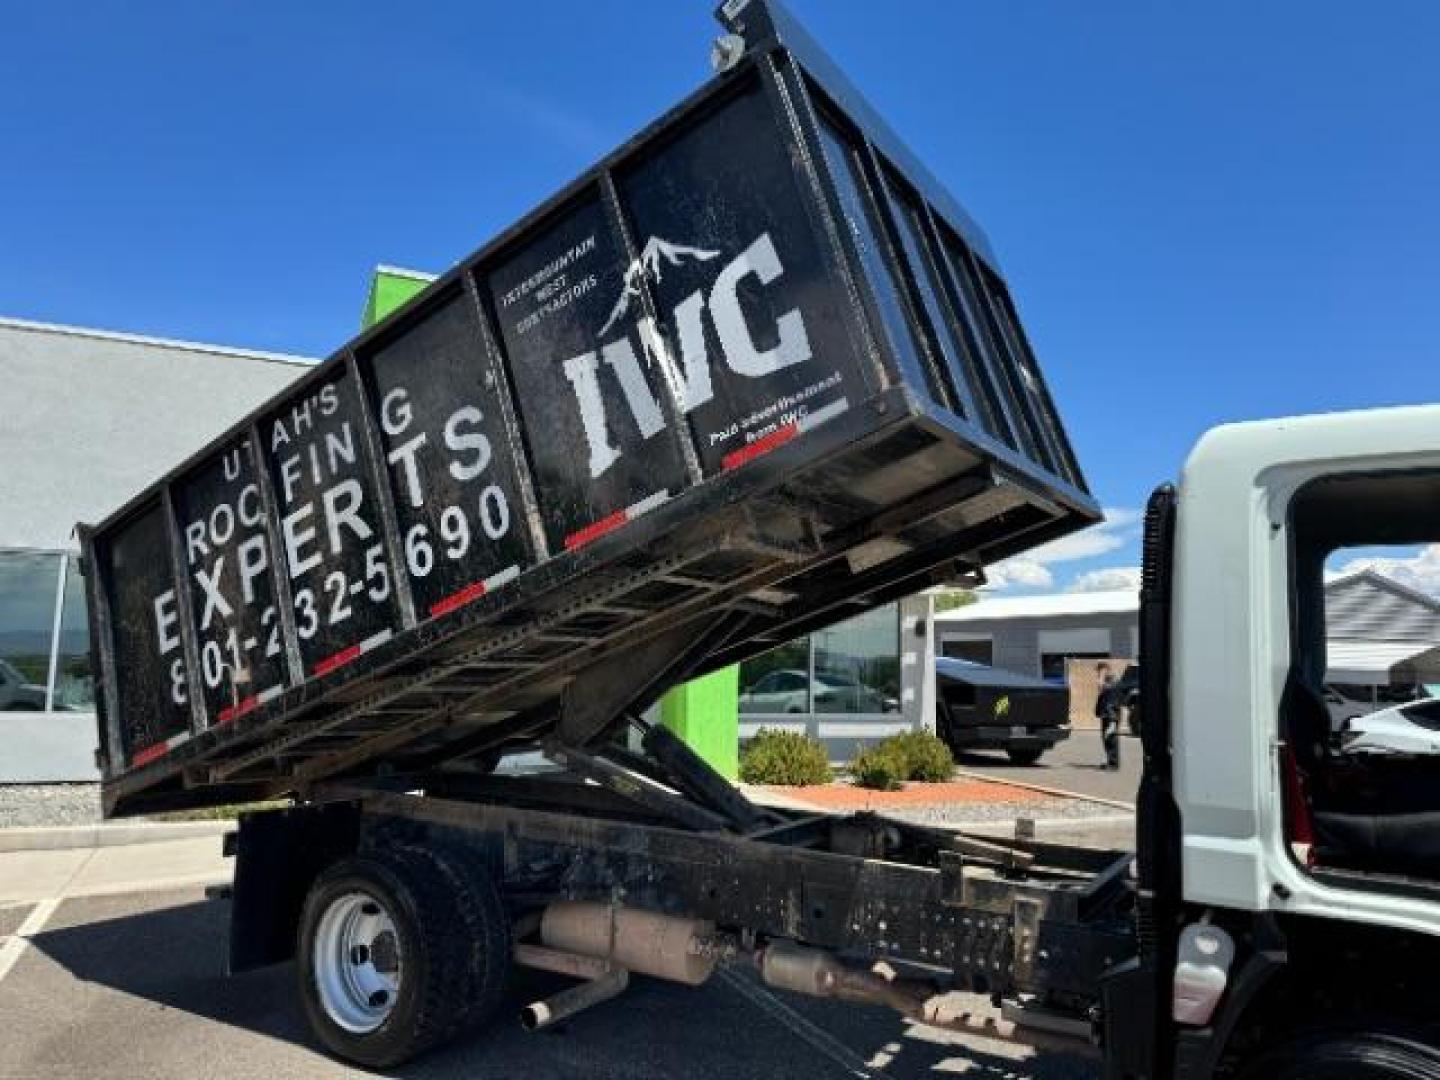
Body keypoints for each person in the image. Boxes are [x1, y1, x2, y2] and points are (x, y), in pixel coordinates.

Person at [1095, 663, 1121, 770]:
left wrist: (1102, 674)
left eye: (1098, 671)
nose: (1097, 674)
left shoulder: (1112, 680)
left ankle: (1113, 764)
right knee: (1107, 738)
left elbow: (1101, 687)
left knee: (1110, 738)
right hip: (1107, 714)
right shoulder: (1110, 681)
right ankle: (1110, 761)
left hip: (1111, 715)